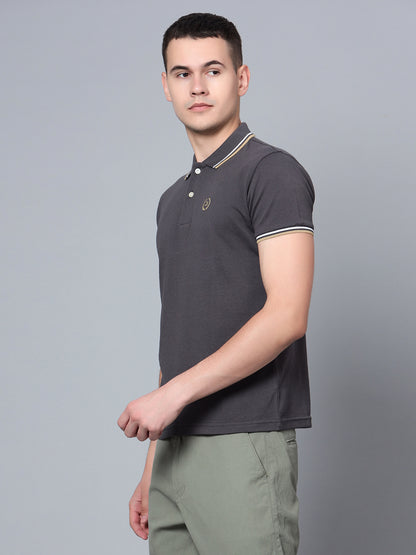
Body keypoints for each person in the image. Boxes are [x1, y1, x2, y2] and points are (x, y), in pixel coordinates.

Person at [118, 12, 315, 555]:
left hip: (243, 441)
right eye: (182, 74)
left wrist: (170, 398)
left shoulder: (271, 173)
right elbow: (180, 336)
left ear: (241, 78)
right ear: (166, 86)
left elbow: (287, 315)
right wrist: (153, 464)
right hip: (174, 449)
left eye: (213, 70)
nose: (198, 86)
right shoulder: (170, 200)